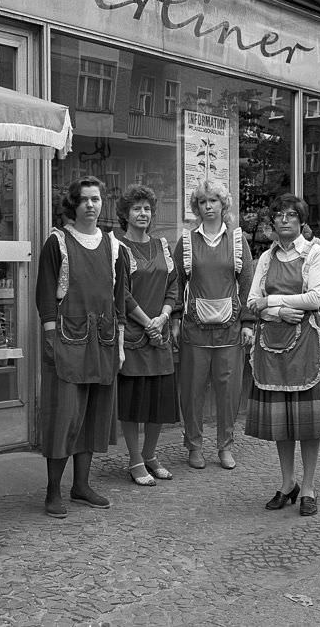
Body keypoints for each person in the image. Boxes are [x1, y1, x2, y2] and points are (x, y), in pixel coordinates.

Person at [245, 193, 320, 517]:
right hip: (271, 344)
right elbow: (251, 301)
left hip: (306, 345)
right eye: (279, 215)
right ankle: (288, 483)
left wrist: (273, 303)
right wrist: (279, 310)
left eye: (291, 215)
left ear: (302, 222)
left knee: (306, 423)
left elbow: (315, 298)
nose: (284, 220)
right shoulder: (264, 259)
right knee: (282, 422)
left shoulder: (315, 252)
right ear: (272, 223)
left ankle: (310, 487)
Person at [35, 176, 128, 518]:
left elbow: (118, 299)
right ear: (73, 205)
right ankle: (52, 491)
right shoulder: (57, 242)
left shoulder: (114, 245)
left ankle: (81, 486)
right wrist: (50, 338)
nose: (91, 204)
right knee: (64, 416)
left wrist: (119, 343)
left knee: (91, 416)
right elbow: (45, 294)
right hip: (67, 339)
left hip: (101, 341)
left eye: (97, 199)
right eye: (85, 199)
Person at [173, 179, 254, 471]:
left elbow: (247, 283)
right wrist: (175, 319)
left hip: (230, 330)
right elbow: (176, 283)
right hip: (194, 329)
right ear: (196, 206)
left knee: (229, 391)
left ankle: (225, 446)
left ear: (224, 205)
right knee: (192, 390)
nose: (208, 207)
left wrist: (247, 322)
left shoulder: (236, 239)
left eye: (214, 201)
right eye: (203, 202)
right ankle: (194, 445)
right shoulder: (186, 241)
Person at [114, 184, 179, 486]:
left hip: (160, 335)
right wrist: (146, 322)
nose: (143, 213)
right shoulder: (117, 247)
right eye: (137, 208)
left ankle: (151, 454)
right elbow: (121, 292)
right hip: (134, 336)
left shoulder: (162, 245)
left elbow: (173, 286)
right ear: (125, 214)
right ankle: (135, 459)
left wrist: (163, 318)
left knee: (157, 401)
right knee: (133, 402)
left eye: (147, 209)